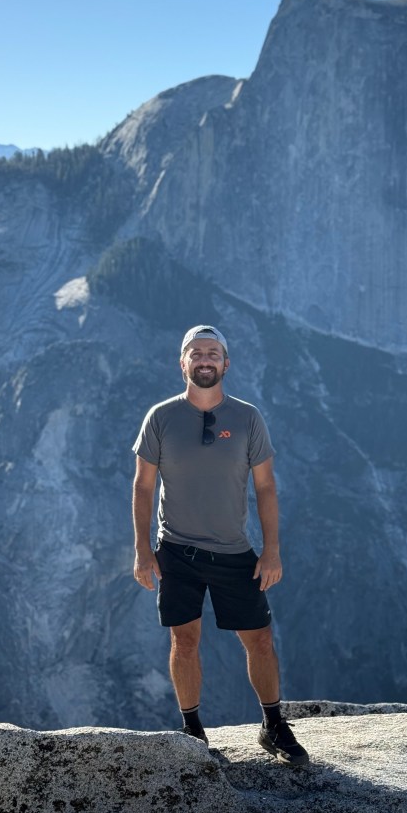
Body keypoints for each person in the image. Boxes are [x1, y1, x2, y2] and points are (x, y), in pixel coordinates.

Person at [131, 324, 308, 766]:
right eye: (196, 352)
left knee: (260, 640)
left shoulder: (248, 418)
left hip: (233, 551)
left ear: (226, 363)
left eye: (213, 352)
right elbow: (143, 486)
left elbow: (265, 487)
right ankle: (192, 730)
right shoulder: (160, 417)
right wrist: (142, 549)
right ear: (183, 362)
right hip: (177, 550)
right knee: (184, 639)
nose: (205, 359)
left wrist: (272, 551)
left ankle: (273, 724)